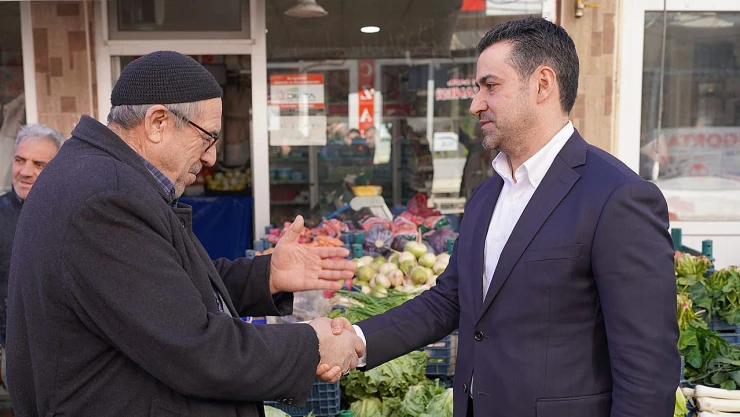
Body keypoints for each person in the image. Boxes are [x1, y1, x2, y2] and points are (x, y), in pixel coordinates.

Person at [323, 17, 679, 417]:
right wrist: (356, 340)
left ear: (542, 84)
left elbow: (648, 369)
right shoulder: (487, 194)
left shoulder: (618, 196)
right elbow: (448, 301)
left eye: (490, 86)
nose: (475, 104)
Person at [6, 51, 362, 417]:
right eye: (208, 138)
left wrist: (265, 276)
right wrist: (311, 345)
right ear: (158, 122)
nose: (211, 158)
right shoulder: (105, 197)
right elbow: (196, 348)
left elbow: (165, 288)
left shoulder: (97, 175)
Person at [0, 123, 63, 396]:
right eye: (20, 160)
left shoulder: (72, 212)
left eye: (39, 164)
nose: (25, 172)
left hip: (67, 352)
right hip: (12, 351)